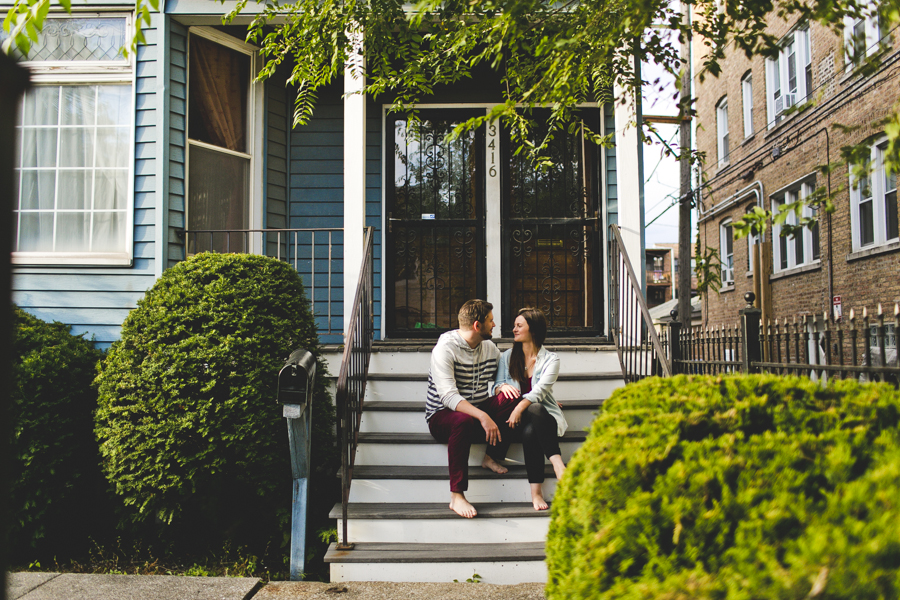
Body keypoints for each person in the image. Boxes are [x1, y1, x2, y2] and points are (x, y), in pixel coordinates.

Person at [425, 299, 509, 518]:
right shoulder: (445, 349)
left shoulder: (490, 348)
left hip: (478, 411)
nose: (494, 325)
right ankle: (457, 495)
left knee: (512, 399)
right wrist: (483, 416)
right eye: (490, 320)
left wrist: (506, 386)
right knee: (462, 420)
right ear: (476, 325)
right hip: (444, 415)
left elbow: (503, 378)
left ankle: (491, 457)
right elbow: (448, 397)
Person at [493, 307, 567, 511]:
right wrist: (501, 386)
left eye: (519, 326)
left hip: (540, 418)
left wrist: (520, 407)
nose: (514, 329)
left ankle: (536, 492)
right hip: (513, 419)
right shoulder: (506, 357)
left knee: (532, 425)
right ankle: (558, 464)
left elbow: (541, 390)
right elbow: (495, 385)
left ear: (532, 330)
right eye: (515, 326)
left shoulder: (551, 359)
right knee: (532, 412)